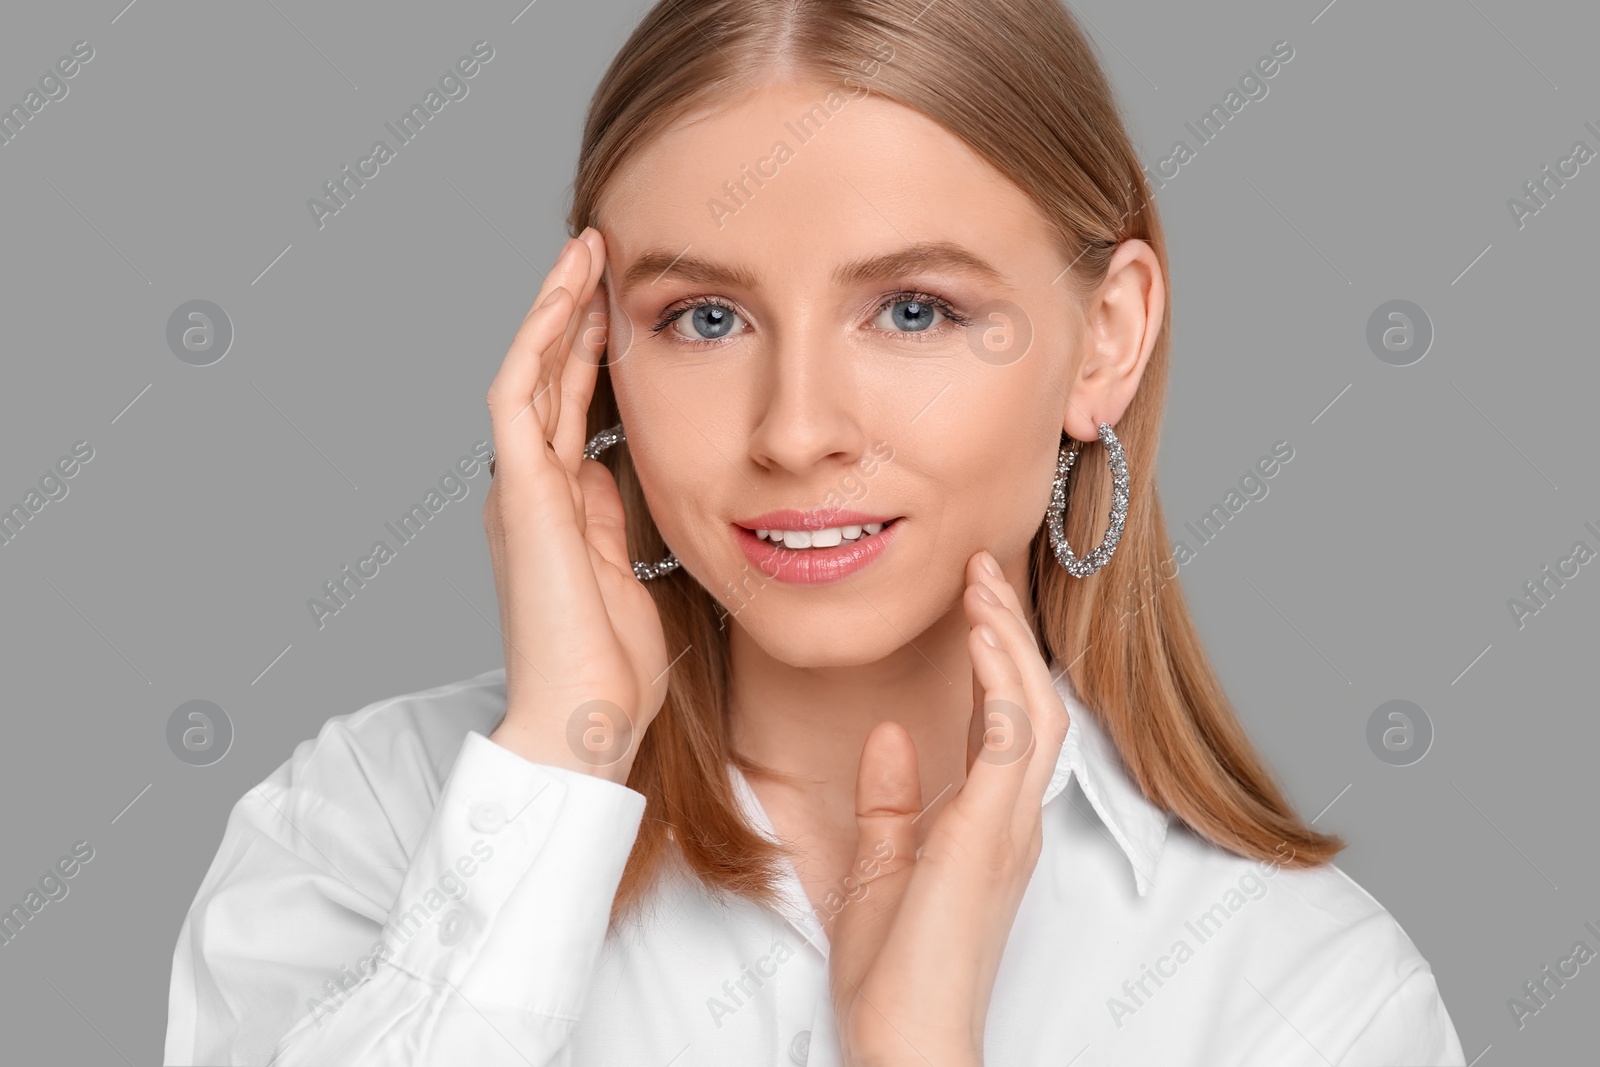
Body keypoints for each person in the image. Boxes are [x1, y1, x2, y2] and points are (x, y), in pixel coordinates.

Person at [163, 1, 1466, 1063]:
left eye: (911, 311)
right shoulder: (363, 829)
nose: (795, 432)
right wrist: (566, 760)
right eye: (704, 319)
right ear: (597, 352)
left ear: (1107, 337)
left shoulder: (1305, 998)